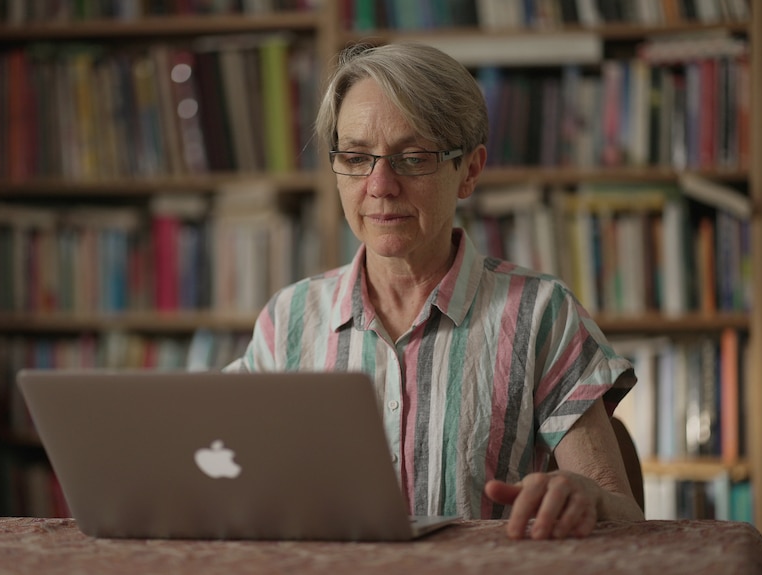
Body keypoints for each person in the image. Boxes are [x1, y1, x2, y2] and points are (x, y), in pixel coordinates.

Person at [223, 42, 644, 539]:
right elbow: (224, 480)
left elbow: (625, 515)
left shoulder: (539, 313)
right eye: (356, 157)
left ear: (468, 171)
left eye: (413, 158)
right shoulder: (287, 320)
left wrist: (588, 499)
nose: (379, 185)